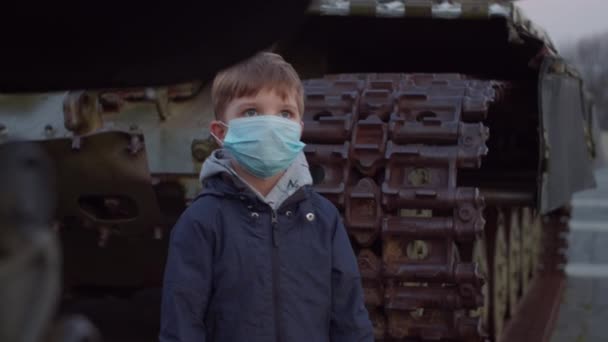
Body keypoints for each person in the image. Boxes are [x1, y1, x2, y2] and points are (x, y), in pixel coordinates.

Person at [159, 52, 373, 342]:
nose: (270, 126)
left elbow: (350, 320)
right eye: (251, 113)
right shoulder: (202, 222)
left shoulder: (323, 219)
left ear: (298, 129)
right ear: (220, 132)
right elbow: (182, 324)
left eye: (285, 113)